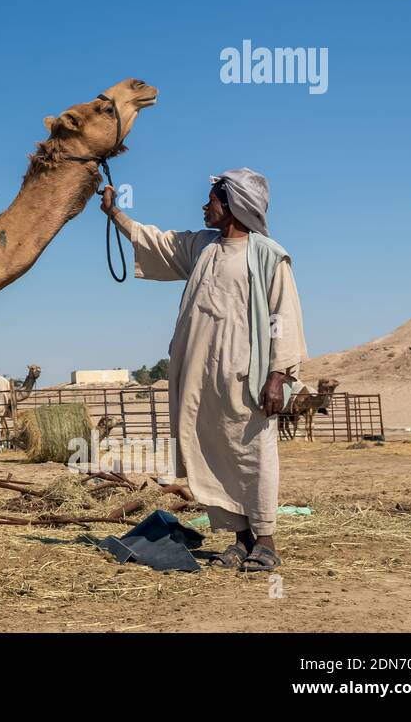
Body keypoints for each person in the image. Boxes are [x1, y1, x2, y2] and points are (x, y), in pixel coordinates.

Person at [100, 168, 306, 572]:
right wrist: (115, 214)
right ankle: (240, 541)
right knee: (216, 452)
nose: (203, 206)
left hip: (246, 376)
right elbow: (155, 241)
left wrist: (278, 374)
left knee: (253, 454)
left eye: (211, 200)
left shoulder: (267, 254)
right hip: (201, 376)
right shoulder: (203, 247)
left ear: (233, 207)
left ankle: (265, 540)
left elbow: (285, 315)